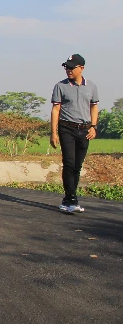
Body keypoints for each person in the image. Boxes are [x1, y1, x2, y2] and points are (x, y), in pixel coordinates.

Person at [50, 54, 99, 213]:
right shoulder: (60, 86)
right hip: (66, 128)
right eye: (66, 67)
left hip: (84, 130)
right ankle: (71, 198)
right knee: (69, 163)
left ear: (81, 68)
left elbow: (94, 107)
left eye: (71, 67)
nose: (68, 70)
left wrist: (93, 126)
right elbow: (56, 110)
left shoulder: (91, 86)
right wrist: (53, 133)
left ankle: (68, 197)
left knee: (77, 165)